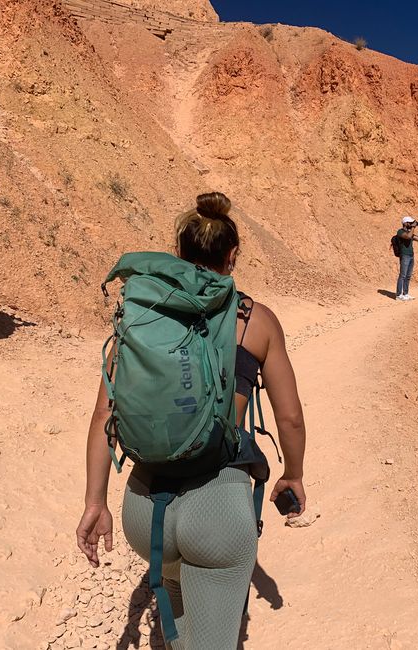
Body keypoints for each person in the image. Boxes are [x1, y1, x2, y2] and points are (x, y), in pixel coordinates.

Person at [76, 192, 307, 649]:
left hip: (145, 507)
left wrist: (94, 501)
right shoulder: (255, 320)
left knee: (179, 614)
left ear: (178, 252)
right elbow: (290, 416)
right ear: (233, 256)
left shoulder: (142, 311)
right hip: (217, 504)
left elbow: (105, 413)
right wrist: (293, 475)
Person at [396, 216, 418, 301]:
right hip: (404, 255)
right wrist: (413, 227)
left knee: (408, 276)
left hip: (411, 256)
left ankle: (406, 294)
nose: (411, 224)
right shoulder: (400, 232)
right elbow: (407, 237)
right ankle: (399, 295)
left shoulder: (409, 232)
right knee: (402, 275)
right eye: (410, 223)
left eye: (412, 223)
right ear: (405, 223)